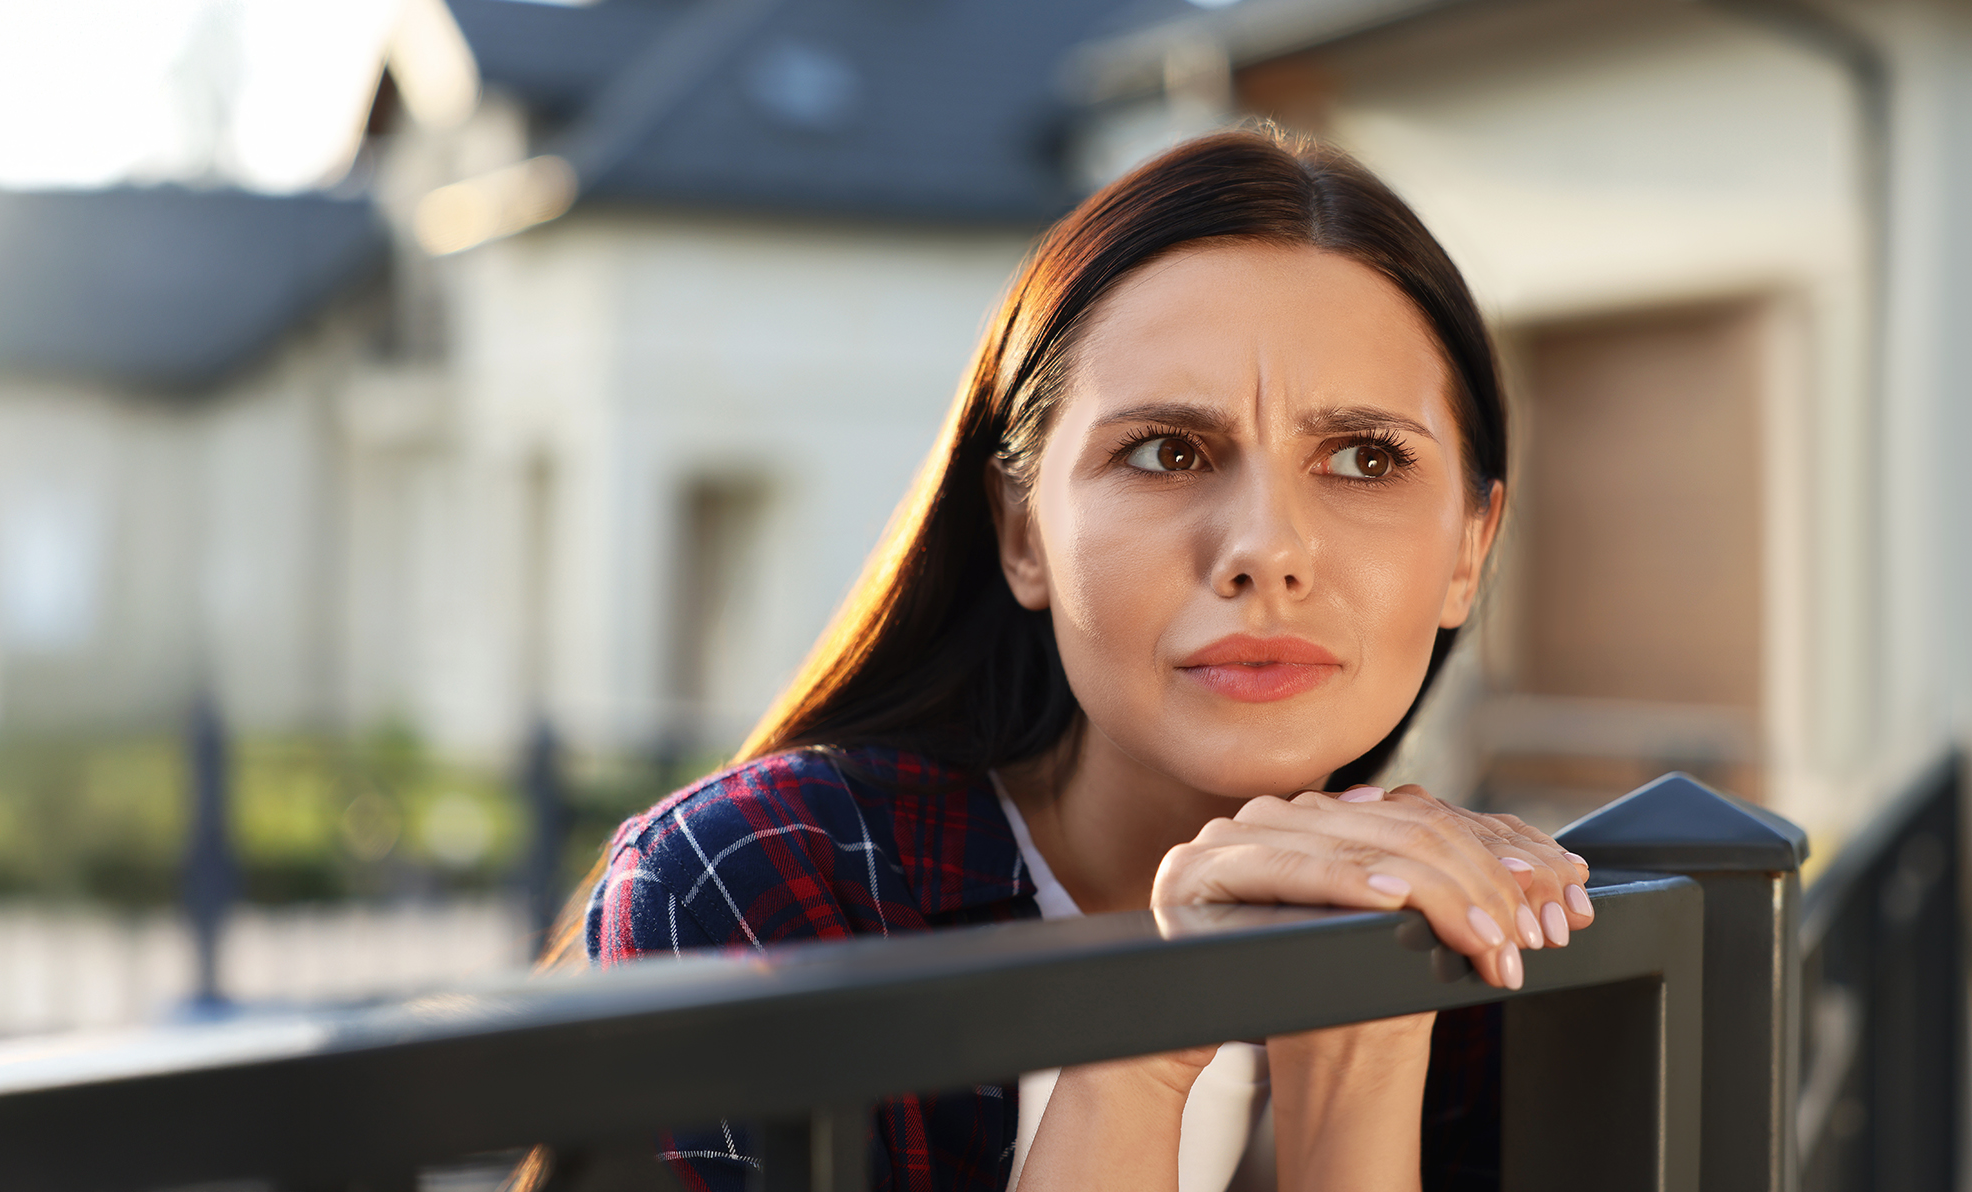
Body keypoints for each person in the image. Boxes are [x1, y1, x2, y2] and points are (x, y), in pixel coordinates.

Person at [556, 129, 1595, 1192]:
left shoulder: (1487, 946)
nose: (1266, 552)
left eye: (1364, 459)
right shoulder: (765, 891)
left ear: (1471, 547)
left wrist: (1354, 1085)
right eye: (1165, 452)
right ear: (1022, 533)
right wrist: (1139, 1047)